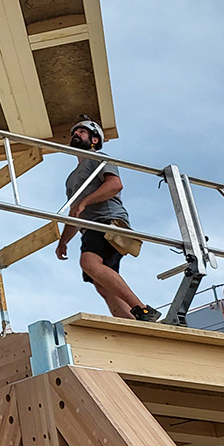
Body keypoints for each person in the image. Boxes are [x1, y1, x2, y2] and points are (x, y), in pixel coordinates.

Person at [55, 117, 160, 322]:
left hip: (108, 221)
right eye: (74, 133)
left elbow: (115, 185)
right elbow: (75, 212)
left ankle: (143, 309)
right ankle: (132, 324)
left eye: (82, 132)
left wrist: (85, 202)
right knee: (103, 285)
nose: (76, 134)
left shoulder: (100, 158)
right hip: (91, 228)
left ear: (94, 140)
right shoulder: (71, 179)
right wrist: (63, 241)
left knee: (90, 263)